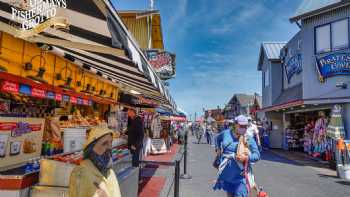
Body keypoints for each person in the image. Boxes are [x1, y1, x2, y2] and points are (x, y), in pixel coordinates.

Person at [214, 115, 260, 197]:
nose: (244, 128)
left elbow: (257, 155)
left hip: (241, 176)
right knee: (229, 194)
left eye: (246, 126)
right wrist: (218, 149)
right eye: (242, 126)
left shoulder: (248, 138)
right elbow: (217, 138)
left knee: (240, 194)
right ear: (235, 125)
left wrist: (247, 158)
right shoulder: (226, 133)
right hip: (227, 174)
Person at [69, 125, 121, 197]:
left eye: (111, 142)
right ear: (91, 148)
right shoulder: (80, 173)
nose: (110, 147)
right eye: (104, 143)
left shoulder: (110, 172)